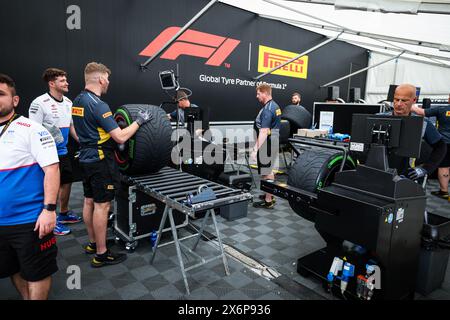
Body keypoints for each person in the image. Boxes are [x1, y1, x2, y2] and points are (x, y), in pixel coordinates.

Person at [72, 62, 152, 268]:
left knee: (89, 201)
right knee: (102, 205)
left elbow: (76, 129)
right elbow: (120, 136)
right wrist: (140, 121)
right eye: (107, 78)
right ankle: (101, 253)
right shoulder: (99, 105)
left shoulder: (78, 100)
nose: (108, 82)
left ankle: (93, 243)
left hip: (85, 158)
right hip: (100, 162)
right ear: (100, 79)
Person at [0, 74, 60, 299]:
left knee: (36, 273)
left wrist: (49, 210)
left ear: (15, 100)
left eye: (1, 94)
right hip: (0, 223)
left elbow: (52, 169)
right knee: (12, 268)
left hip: (29, 221)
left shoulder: (31, 128)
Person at [29, 68, 81, 236]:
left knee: (67, 182)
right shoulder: (39, 103)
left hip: (63, 151)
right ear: (52, 83)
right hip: (46, 154)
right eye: (62, 81)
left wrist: (82, 141)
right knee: (50, 187)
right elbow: (33, 131)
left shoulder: (68, 102)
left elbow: (72, 126)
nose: (67, 83)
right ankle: (49, 217)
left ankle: (64, 214)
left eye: (66, 80)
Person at [384, 84, 446, 182]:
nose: (399, 104)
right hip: (379, 174)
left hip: (406, 179)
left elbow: (441, 147)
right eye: (396, 99)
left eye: (404, 100)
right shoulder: (379, 118)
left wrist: (424, 169)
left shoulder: (423, 124)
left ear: (414, 100)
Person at [411, 97, 450, 199]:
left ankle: (444, 191)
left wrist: (410, 105)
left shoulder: (442, 109)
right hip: (444, 143)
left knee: (444, 167)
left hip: (444, 142)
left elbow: (420, 112)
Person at [251, 83, 282, 209]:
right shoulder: (275, 106)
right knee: (268, 171)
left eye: (258, 93)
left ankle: (268, 200)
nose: (257, 96)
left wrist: (255, 150)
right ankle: (270, 195)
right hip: (272, 141)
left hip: (267, 143)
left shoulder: (268, 109)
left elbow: (264, 131)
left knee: (266, 172)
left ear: (265, 93)